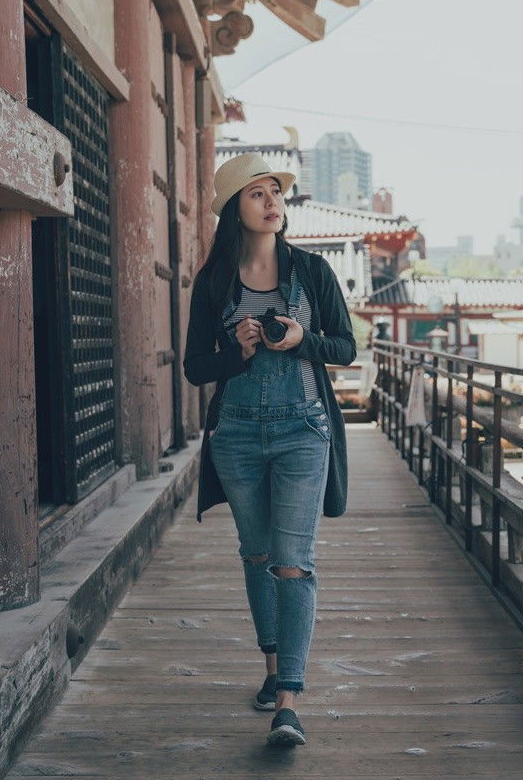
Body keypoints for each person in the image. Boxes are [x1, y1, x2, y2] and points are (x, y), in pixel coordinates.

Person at [182, 153, 356, 747]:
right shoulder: (214, 281)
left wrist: (304, 339)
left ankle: (288, 702)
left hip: (303, 430)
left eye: (276, 192)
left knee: (293, 561)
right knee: (257, 556)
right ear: (236, 209)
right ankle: (272, 668)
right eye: (257, 193)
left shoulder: (313, 271)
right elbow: (195, 367)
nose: (272, 202)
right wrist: (238, 352)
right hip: (235, 434)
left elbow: (346, 348)